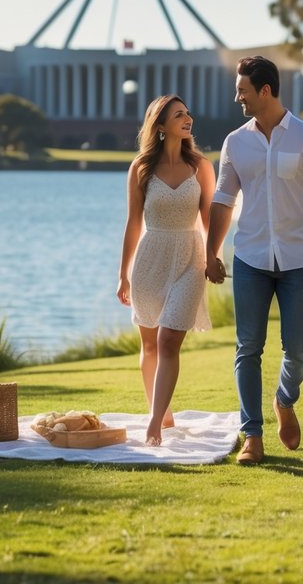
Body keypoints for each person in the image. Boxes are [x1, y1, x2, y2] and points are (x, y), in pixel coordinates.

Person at [204, 56, 303, 466]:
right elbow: (223, 201)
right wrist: (211, 252)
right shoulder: (235, 142)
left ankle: (285, 399)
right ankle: (252, 435)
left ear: (265, 91)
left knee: (297, 350)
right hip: (250, 258)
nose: (237, 97)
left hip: (299, 259)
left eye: (243, 89)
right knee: (248, 347)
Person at [117, 94, 216, 446]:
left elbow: (211, 220)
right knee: (150, 345)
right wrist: (122, 273)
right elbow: (132, 223)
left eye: (188, 113)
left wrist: (215, 256)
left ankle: (155, 424)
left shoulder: (201, 166)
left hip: (191, 258)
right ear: (160, 126)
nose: (188, 119)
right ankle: (162, 411)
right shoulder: (141, 168)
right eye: (178, 115)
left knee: (169, 339)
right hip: (150, 259)